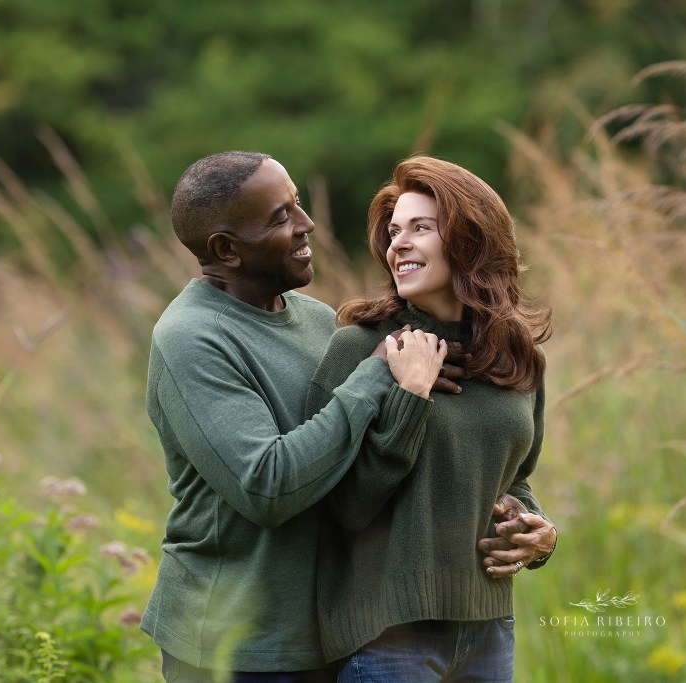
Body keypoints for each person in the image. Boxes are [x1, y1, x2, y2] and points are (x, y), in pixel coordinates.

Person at [141, 150, 452, 682]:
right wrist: (377, 374)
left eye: (298, 205)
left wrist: (525, 518)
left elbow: (367, 461)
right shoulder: (191, 338)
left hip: (333, 634)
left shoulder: (316, 320)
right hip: (235, 647)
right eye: (281, 217)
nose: (307, 225)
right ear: (226, 250)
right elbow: (268, 486)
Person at [306, 155, 558, 681]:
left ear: (471, 241)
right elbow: (342, 506)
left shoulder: (516, 359)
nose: (398, 243)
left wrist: (539, 536)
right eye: (395, 231)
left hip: (490, 631)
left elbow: (514, 477)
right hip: (388, 639)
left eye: (421, 228)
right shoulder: (362, 349)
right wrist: (411, 395)